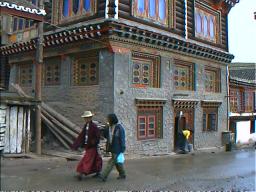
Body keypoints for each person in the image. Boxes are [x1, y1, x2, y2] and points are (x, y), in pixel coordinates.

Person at [71, 111, 102, 181]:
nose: (86, 119)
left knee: (86, 159)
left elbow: (97, 136)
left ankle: (81, 173)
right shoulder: (86, 125)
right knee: (95, 159)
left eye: (87, 118)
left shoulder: (94, 126)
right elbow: (82, 135)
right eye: (85, 118)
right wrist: (76, 144)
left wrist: (93, 143)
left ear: (90, 118)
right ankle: (98, 172)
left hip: (92, 147)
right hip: (87, 146)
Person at [99, 113, 126, 182]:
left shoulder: (119, 128)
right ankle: (122, 174)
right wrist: (103, 129)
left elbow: (122, 138)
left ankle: (104, 176)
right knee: (118, 162)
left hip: (118, 148)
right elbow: (106, 136)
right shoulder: (109, 127)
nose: (107, 120)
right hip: (111, 147)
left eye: (108, 119)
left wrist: (123, 148)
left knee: (111, 162)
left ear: (112, 119)